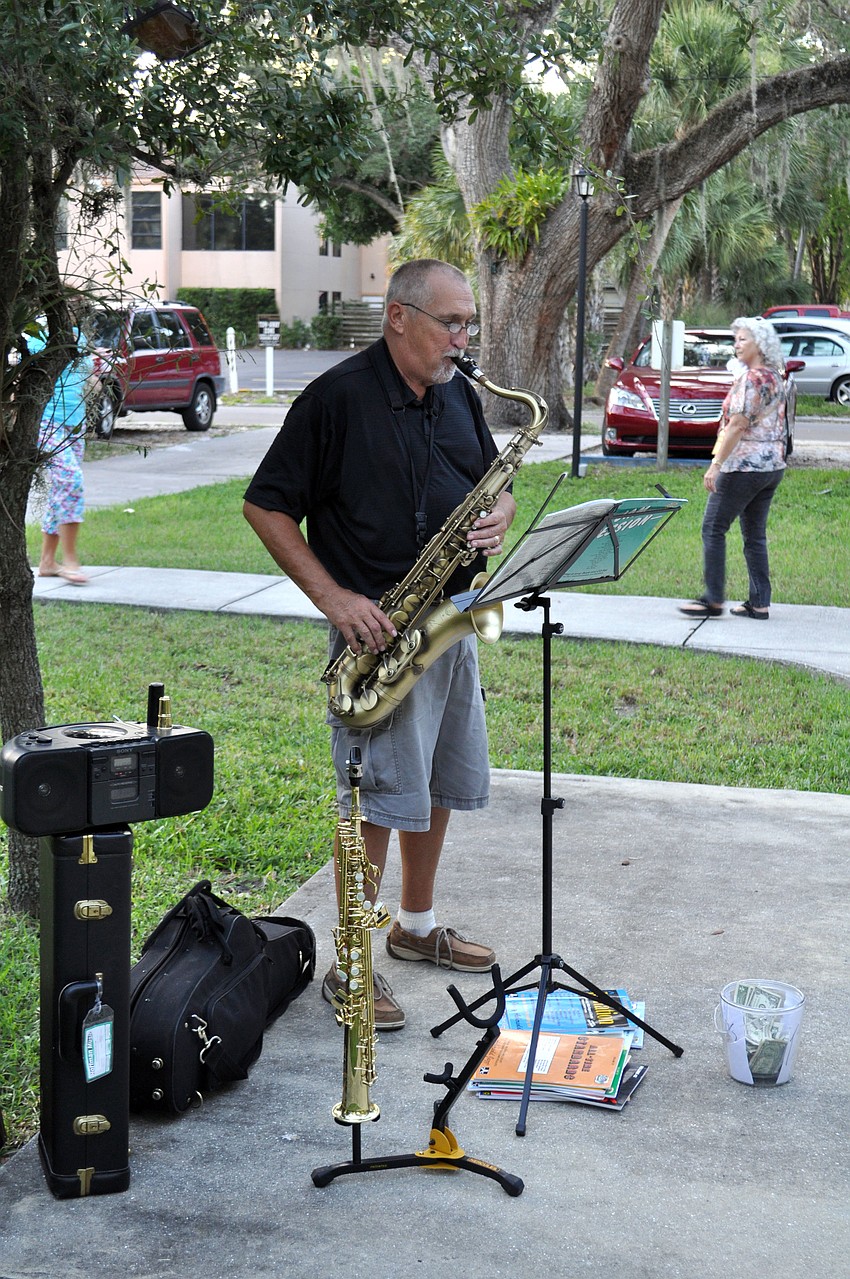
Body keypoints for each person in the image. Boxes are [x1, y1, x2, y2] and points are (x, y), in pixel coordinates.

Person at [243, 259, 515, 1031]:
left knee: (435, 782)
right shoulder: (334, 399)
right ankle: (351, 964)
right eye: (451, 323)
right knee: (373, 801)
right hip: (380, 632)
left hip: (452, 617)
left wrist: (497, 513)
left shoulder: (459, 393)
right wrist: (335, 598)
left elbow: (493, 481)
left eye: (469, 323)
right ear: (399, 317)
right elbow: (264, 507)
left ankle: (416, 927)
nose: (463, 339)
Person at [679, 316, 788, 621]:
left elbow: (737, 425)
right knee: (754, 535)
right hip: (772, 467)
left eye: (743, 339)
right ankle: (759, 603)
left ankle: (713, 600)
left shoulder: (750, 379)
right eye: (736, 339)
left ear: (760, 344)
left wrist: (716, 465)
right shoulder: (775, 377)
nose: (736, 345)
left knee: (713, 528)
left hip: (744, 466)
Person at [28, 324, 96, 585]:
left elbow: (82, 377)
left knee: (62, 489)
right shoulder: (34, 334)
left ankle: (47, 562)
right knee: (70, 480)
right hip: (46, 421)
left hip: (75, 423)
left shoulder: (79, 334)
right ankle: (69, 559)